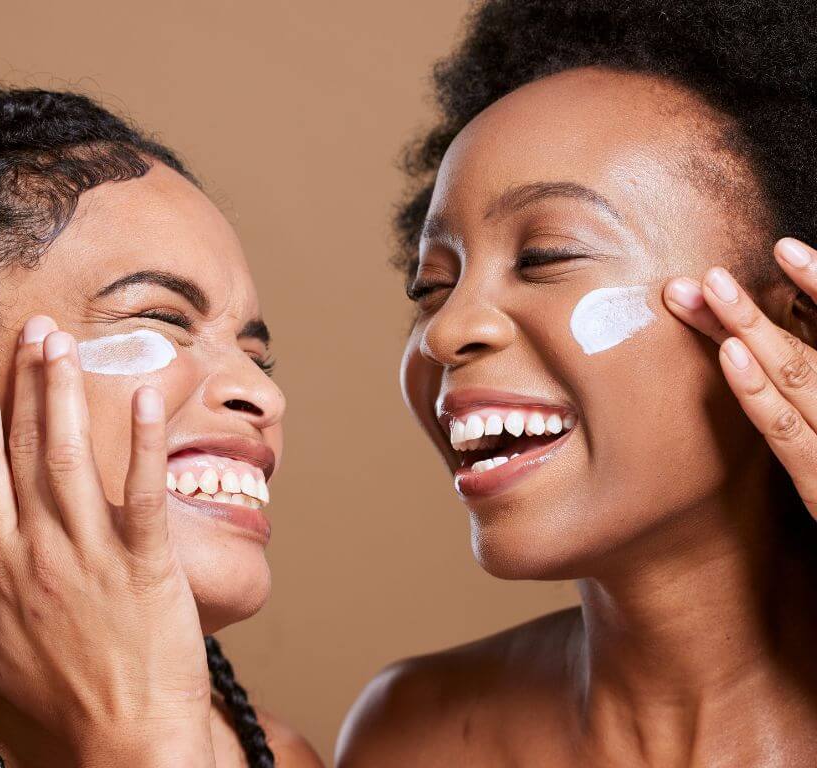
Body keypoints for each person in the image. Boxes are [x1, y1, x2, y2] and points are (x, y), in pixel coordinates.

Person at [337, 0, 817, 765]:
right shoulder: (409, 735)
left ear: (797, 328)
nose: (446, 329)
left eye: (548, 256)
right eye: (431, 284)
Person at [0, 84, 320, 767]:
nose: (260, 393)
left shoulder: (269, 754)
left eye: (256, 355)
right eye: (160, 320)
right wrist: (142, 736)